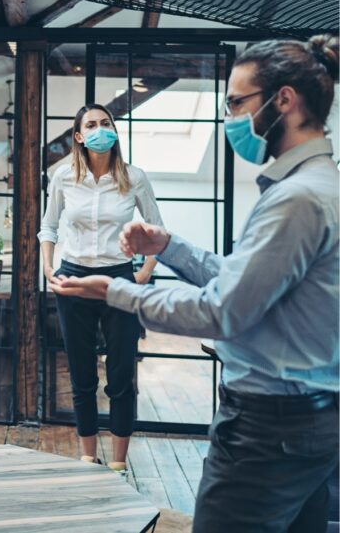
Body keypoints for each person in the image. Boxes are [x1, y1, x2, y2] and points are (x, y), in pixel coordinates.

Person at [51, 35, 339, 532]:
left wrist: (114, 290)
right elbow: (243, 281)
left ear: (284, 101)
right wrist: (169, 247)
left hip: (269, 429)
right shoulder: (317, 186)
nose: (229, 118)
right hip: (305, 421)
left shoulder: (297, 200)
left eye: (235, 103)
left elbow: (222, 310)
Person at [38, 103, 164, 475]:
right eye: (90, 125)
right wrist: (48, 266)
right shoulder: (63, 177)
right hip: (73, 278)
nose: (99, 129)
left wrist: (142, 276)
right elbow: (49, 227)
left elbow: (158, 231)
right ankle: (88, 456)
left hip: (118, 280)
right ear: (78, 136)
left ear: (114, 130)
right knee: (81, 373)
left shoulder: (133, 177)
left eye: (105, 122)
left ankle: (119, 462)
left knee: (122, 373)